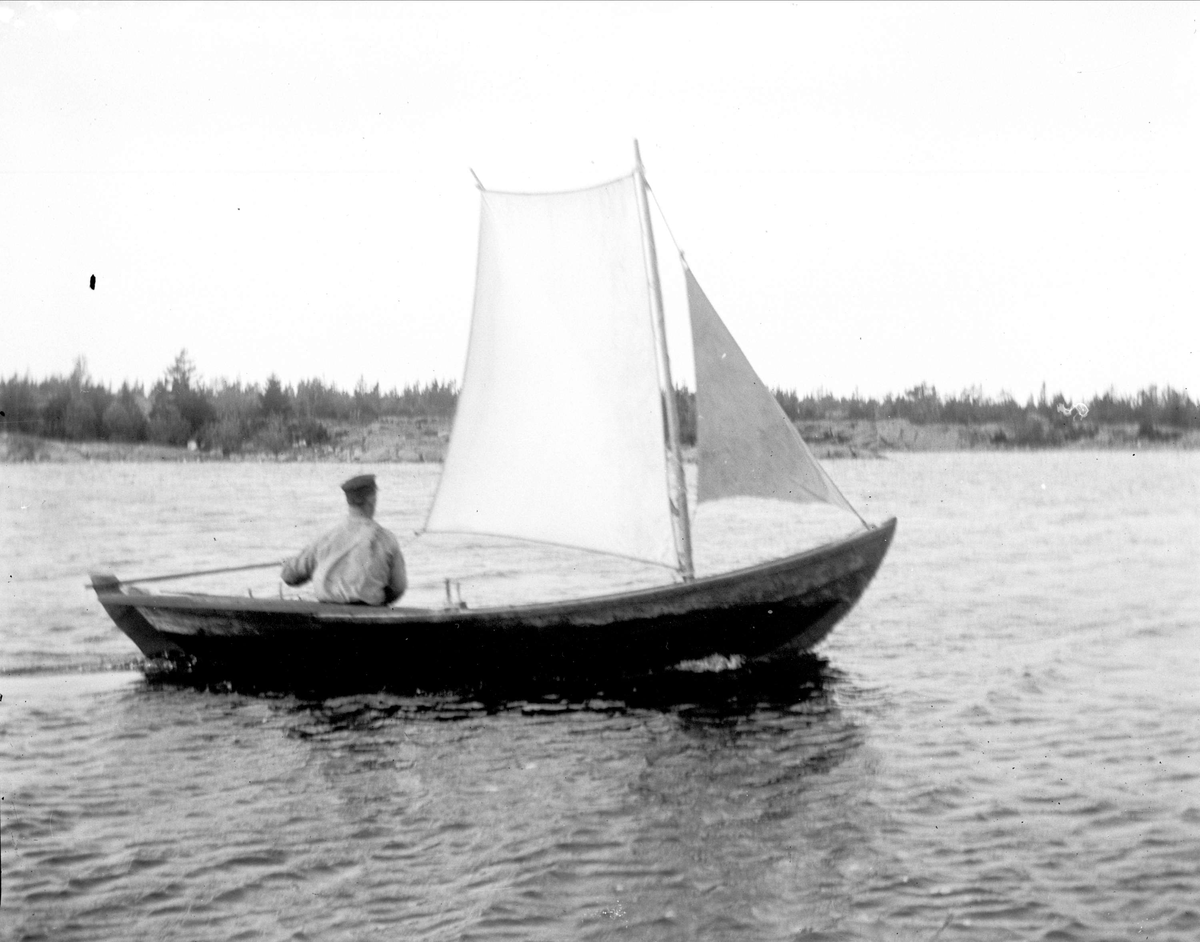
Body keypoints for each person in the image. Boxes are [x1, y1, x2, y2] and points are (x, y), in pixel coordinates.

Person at [281, 474, 407, 605]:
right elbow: (398, 587)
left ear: (348, 501)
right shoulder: (387, 539)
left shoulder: (326, 537)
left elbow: (289, 576)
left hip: (327, 609)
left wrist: (289, 563)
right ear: (372, 499)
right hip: (369, 611)